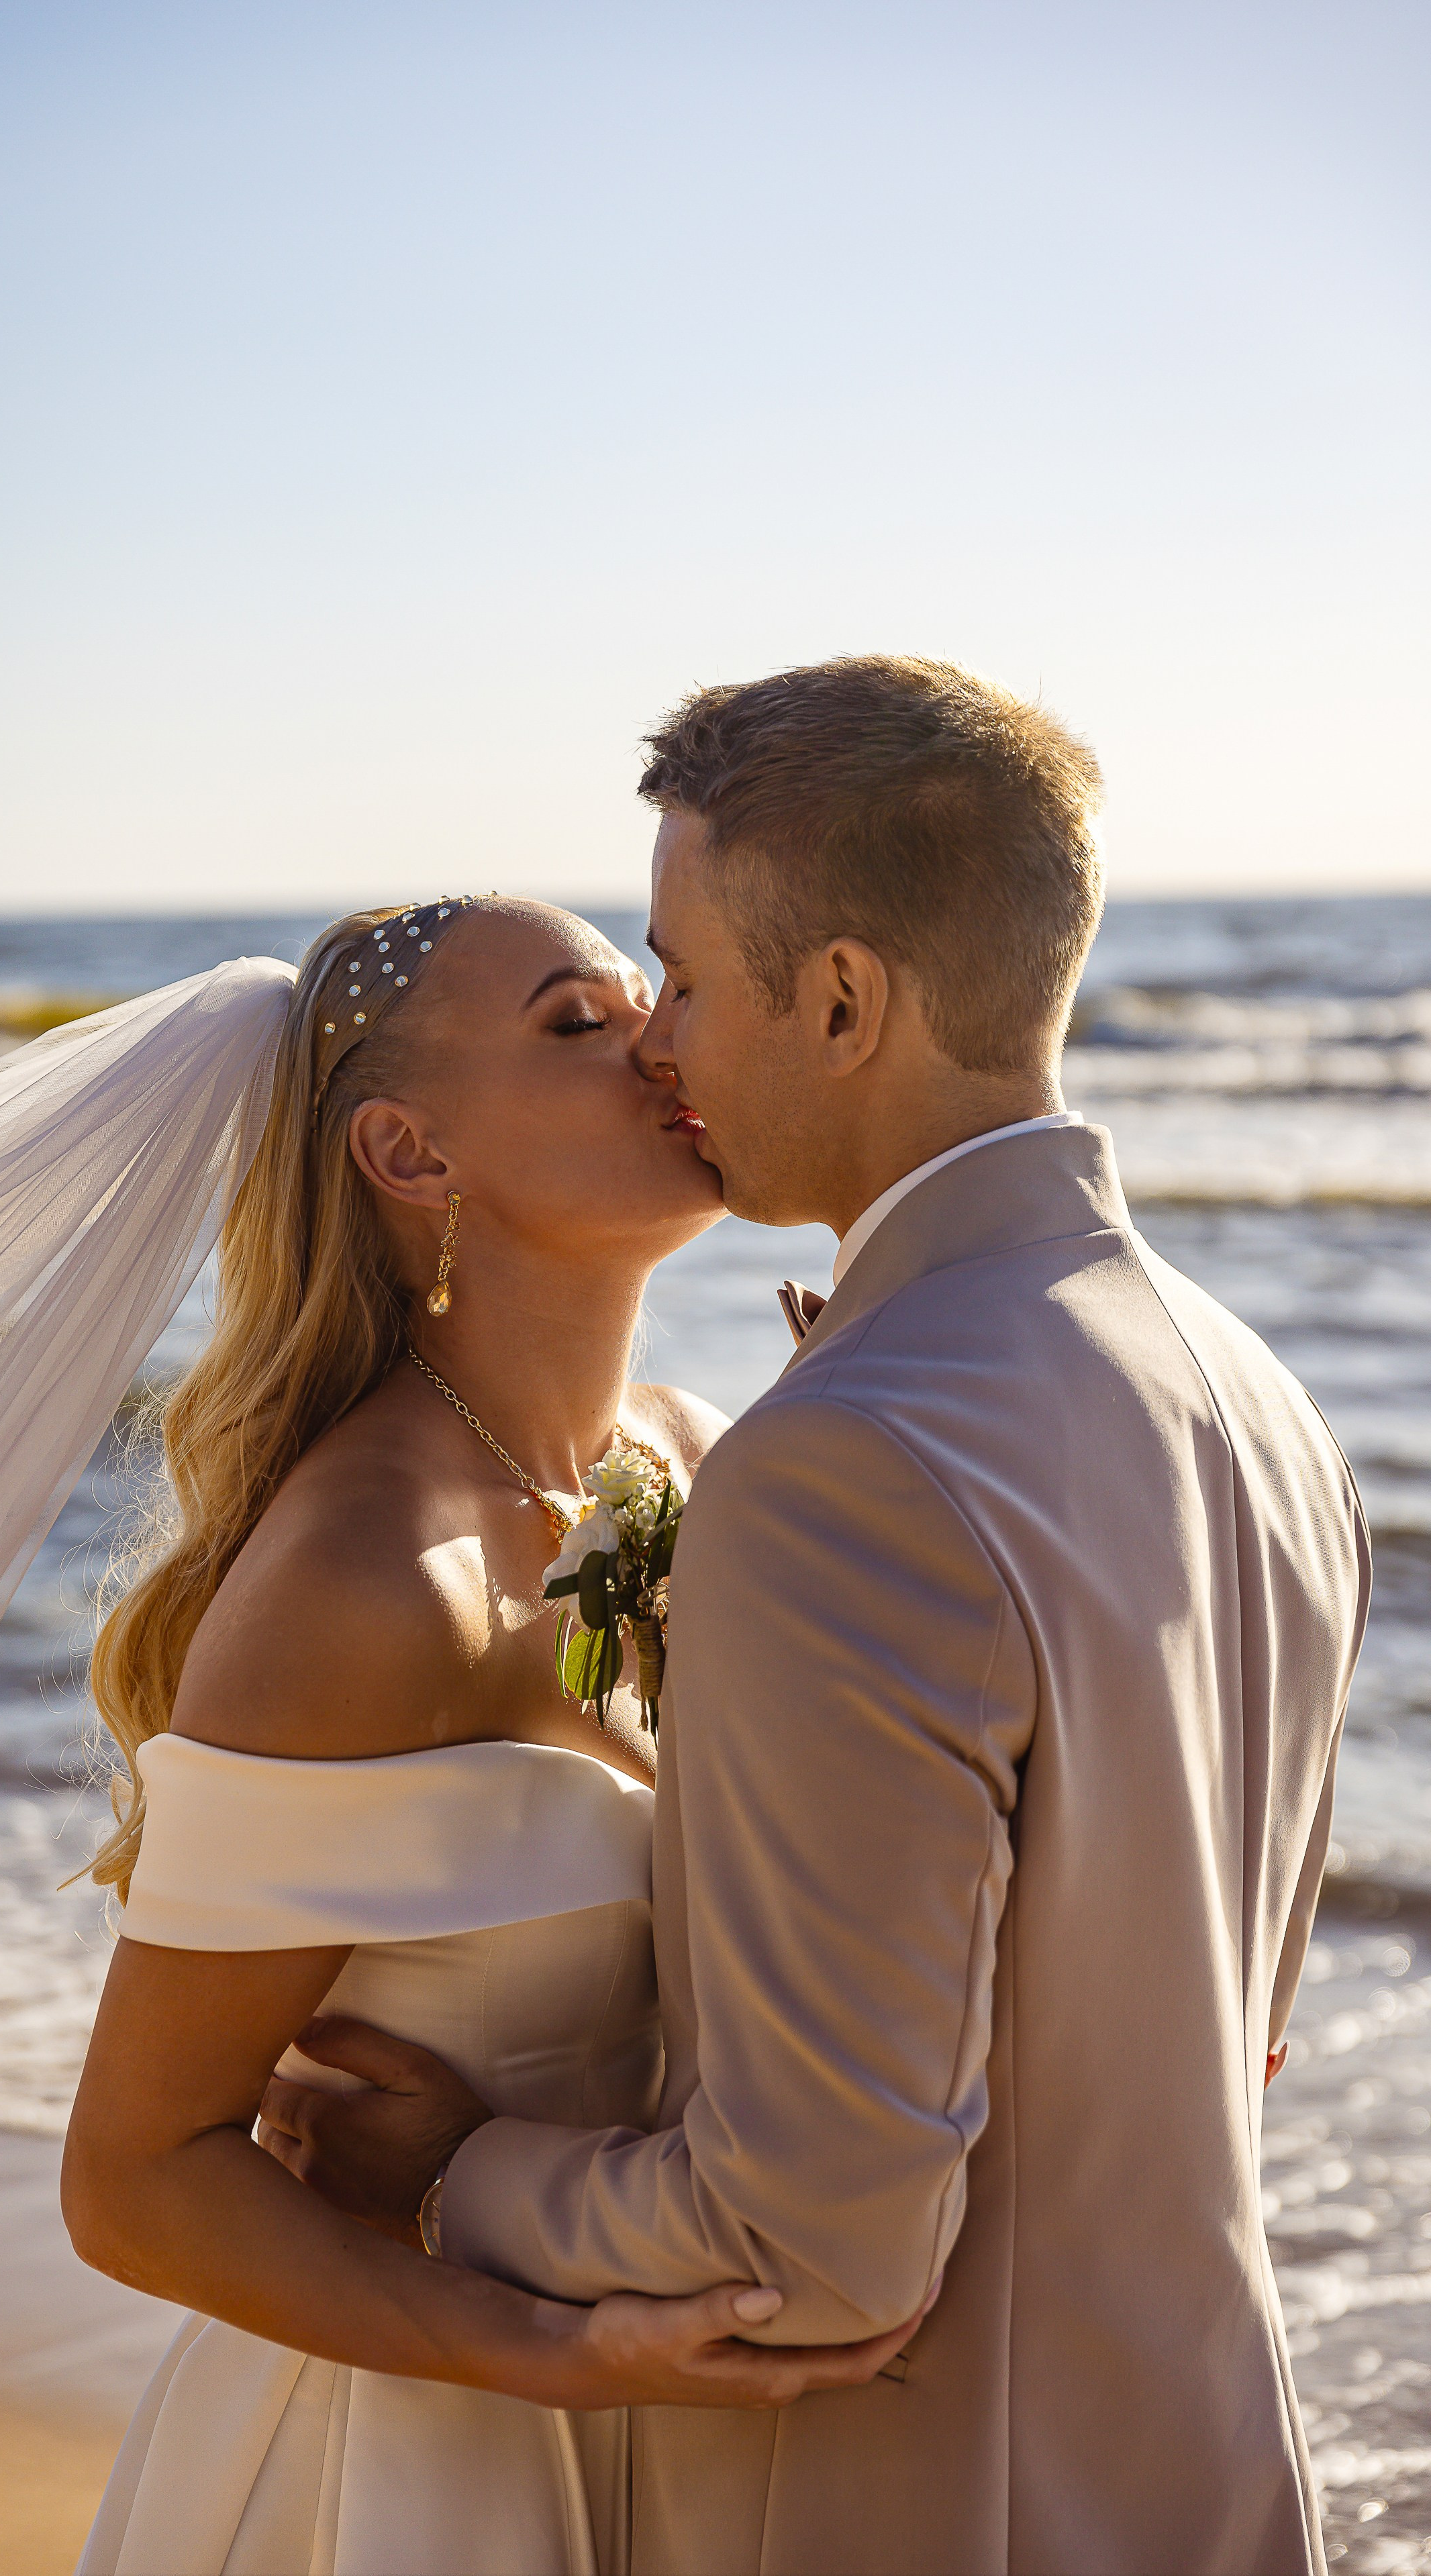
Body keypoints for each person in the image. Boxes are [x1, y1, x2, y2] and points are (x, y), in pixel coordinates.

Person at [258, 658, 1372, 2576]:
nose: (659, 1038)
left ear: (845, 998)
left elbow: (815, 2247)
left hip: (916, 2509)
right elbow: (1229, 2037)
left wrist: (449, 2173)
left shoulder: (843, 1467)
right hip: (1212, 2481)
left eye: (681, 977)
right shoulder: (1265, 1402)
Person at [60, 893, 930, 2576]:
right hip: (415, 2453)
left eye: (648, 1002)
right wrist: (551, 2348)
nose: (663, 1042)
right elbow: (134, 2178)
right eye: (574, 1022)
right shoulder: (366, 1575)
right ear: (409, 1149)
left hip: (688, 2411)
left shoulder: (702, 1453)